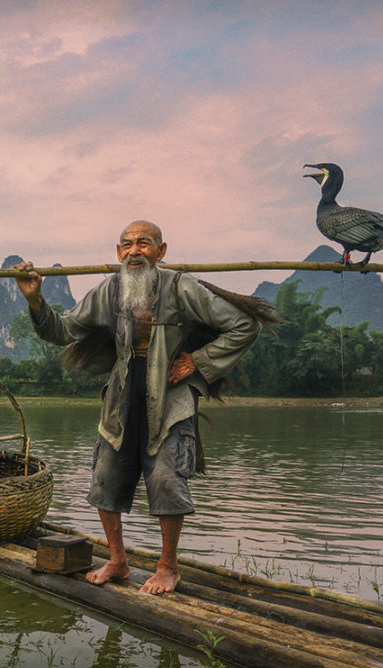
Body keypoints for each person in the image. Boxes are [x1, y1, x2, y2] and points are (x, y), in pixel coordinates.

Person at [14, 220, 260, 594]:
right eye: (126, 245)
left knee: (166, 477)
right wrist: (35, 299)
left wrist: (197, 361)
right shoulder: (111, 289)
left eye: (144, 244)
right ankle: (118, 560)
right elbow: (62, 331)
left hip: (171, 392)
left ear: (161, 251)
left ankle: (168, 567)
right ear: (117, 253)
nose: (134, 251)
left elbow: (244, 325)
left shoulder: (181, 286)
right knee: (105, 477)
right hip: (122, 392)